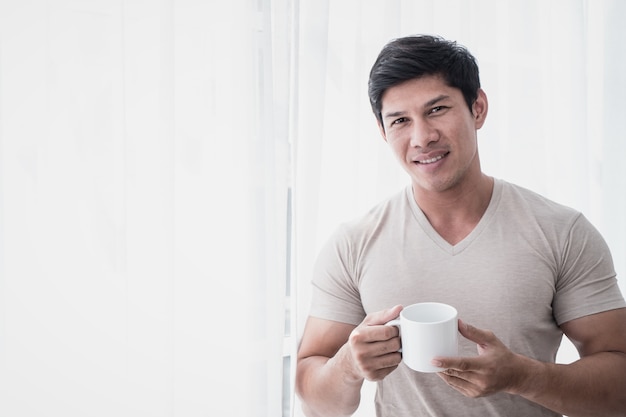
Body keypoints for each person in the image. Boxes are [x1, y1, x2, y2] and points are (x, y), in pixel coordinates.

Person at [295, 34, 626, 417]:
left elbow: (620, 387)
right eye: (400, 120)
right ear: (383, 132)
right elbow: (313, 399)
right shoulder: (352, 243)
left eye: (437, 109)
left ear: (478, 108)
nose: (422, 137)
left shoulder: (561, 231)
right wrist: (348, 366)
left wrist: (524, 377)